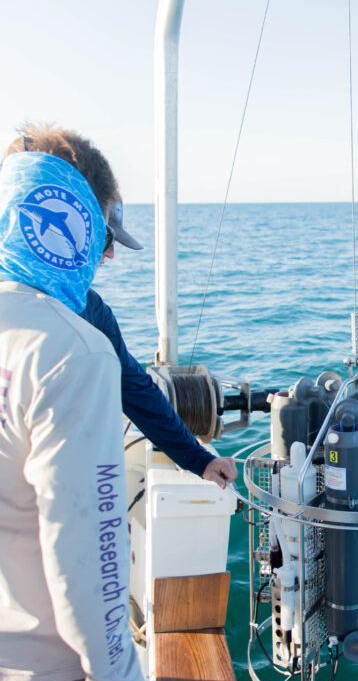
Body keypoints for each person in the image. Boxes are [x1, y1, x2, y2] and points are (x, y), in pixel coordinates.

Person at [0, 132, 148, 681]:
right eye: (101, 239)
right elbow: (83, 540)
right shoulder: (72, 350)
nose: (106, 262)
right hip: (56, 669)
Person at [4, 125, 238, 490]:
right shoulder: (84, 345)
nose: (110, 253)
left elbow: (135, 389)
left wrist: (199, 459)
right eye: (105, 236)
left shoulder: (91, 314)